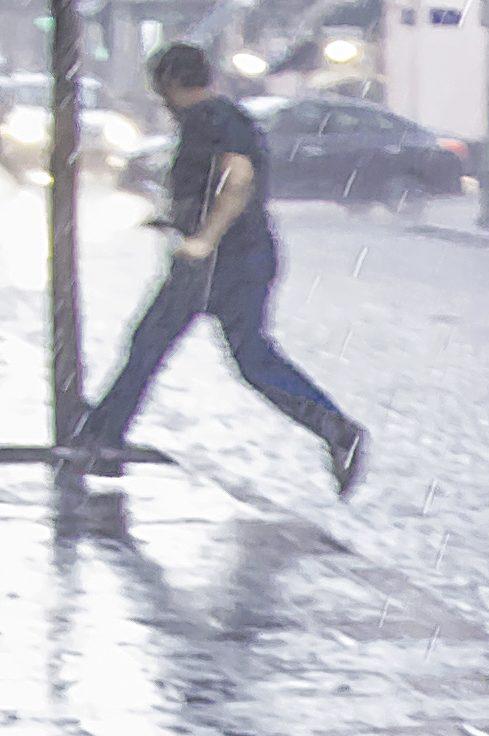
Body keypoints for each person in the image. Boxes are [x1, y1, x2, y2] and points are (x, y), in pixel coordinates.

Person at [73, 42, 364, 494]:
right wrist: (179, 221)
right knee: (245, 356)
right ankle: (333, 428)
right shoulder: (213, 118)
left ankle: (101, 440)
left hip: (222, 261)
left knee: (153, 343)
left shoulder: (214, 118)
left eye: (160, 89)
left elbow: (238, 177)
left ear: (170, 83)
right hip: (236, 256)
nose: (160, 101)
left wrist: (205, 238)